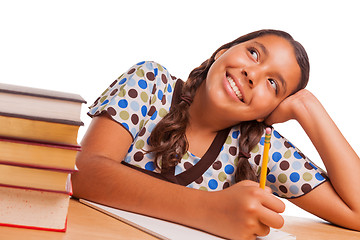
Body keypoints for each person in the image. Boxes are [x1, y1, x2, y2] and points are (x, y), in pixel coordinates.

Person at [72, 29, 360, 240]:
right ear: (222, 52)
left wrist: (308, 107)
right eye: (254, 53)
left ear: (269, 112)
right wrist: (210, 210)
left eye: (273, 84)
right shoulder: (150, 83)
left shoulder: (258, 147)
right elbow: (84, 172)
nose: (253, 75)